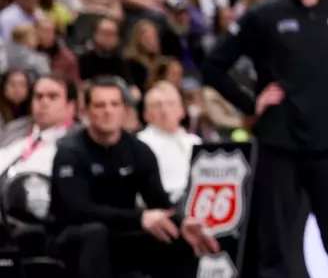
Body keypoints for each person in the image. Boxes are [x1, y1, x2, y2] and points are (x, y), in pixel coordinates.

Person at [203, 0, 328, 278]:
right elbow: (213, 65)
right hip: (280, 146)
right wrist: (250, 104)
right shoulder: (266, 15)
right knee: (275, 249)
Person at [51, 77, 217, 278]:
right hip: (73, 234)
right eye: (99, 105)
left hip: (122, 232)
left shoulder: (139, 150)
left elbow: (160, 204)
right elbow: (79, 210)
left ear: (125, 110)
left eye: (114, 104)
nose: (108, 111)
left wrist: (182, 223)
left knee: (180, 236)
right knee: (95, 232)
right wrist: (140, 218)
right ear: (85, 112)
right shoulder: (70, 152)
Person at [136, 80, 201, 202]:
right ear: (146, 114)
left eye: (170, 104)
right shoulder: (139, 144)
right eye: (157, 105)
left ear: (182, 110)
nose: (164, 111)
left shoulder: (195, 142)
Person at [0, 74, 74, 178]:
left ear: (70, 105)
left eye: (52, 97)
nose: (44, 102)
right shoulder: (14, 129)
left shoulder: (78, 141)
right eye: (38, 96)